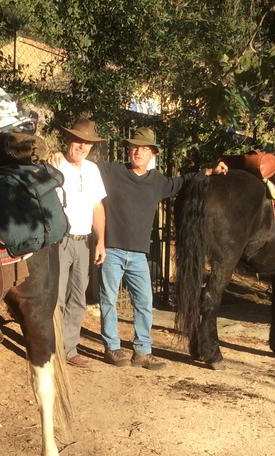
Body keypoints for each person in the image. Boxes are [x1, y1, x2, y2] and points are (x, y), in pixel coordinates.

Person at [97, 127, 228, 370]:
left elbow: (184, 181)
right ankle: (112, 348)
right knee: (108, 299)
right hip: (112, 249)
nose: (138, 151)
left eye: (144, 148)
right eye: (134, 147)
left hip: (138, 255)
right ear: (129, 149)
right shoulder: (113, 172)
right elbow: (85, 166)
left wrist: (209, 170)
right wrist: (58, 158)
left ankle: (143, 352)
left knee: (145, 302)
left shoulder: (157, 182)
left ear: (152, 154)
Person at [53, 118, 107, 366]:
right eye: (78, 140)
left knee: (78, 297)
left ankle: (69, 348)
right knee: (57, 297)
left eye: (87, 143)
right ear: (68, 140)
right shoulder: (54, 163)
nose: (82, 146)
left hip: (84, 241)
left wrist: (100, 242)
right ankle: (51, 349)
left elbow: (97, 207)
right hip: (60, 240)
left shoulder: (92, 170)